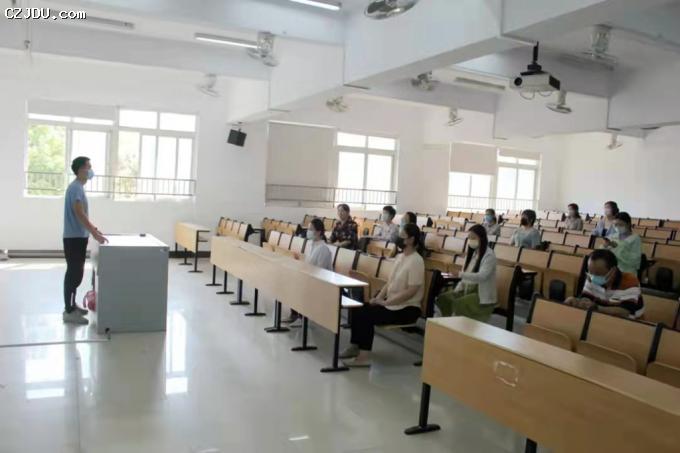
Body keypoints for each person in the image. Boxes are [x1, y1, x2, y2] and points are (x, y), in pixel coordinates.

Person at [340, 223, 425, 367]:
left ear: (411, 239)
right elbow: (389, 282)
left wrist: (386, 303)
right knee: (359, 308)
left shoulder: (417, 261)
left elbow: (411, 291)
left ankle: (363, 357)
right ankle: (355, 346)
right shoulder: (400, 257)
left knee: (366, 315)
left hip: (407, 308)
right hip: (392, 303)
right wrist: (378, 298)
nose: (399, 238)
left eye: (402, 236)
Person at [63, 156, 107, 325]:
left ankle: (72, 306)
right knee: (74, 274)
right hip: (74, 238)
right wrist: (94, 234)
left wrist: (94, 229)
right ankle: (69, 311)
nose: (90, 170)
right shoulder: (75, 188)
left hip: (78, 237)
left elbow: (83, 215)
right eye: (88, 167)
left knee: (76, 273)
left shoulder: (78, 187)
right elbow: (79, 213)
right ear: (81, 169)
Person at [436, 224, 497, 321]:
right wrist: (457, 289)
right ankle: (446, 323)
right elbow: (465, 274)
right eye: (469, 238)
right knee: (444, 298)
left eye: (474, 238)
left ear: (482, 238)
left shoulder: (489, 255)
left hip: (481, 295)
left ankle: (457, 325)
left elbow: (482, 276)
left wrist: (459, 274)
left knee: (459, 303)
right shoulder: (472, 254)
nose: (471, 240)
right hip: (466, 290)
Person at [565, 249, 644, 319]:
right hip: (599, 318)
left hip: (628, 324)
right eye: (591, 273)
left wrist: (597, 308)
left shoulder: (630, 281)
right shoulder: (591, 278)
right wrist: (577, 302)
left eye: (598, 274)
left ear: (613, 271)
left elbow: (625, 312)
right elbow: (587, 298)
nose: (593, 278)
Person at [283, 218, 333, 325]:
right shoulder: (311, 245)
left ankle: (301, 317)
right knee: (290, 281)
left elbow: (321, 271)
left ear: (318, 232)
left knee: (299, 285)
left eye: (311, 229)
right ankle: (295, 314)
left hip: (321, 282)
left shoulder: (323, 249)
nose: (308, 231)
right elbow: (308, 264)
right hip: (310, 276)